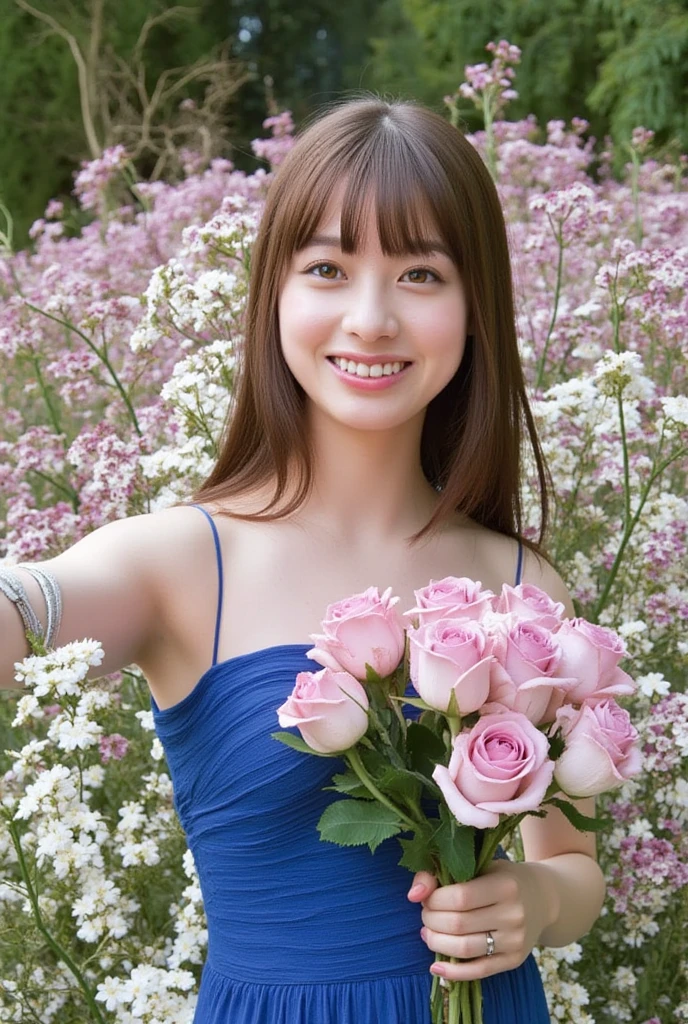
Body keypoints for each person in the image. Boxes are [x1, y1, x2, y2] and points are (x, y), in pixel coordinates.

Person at [1, 95, 607, 1023]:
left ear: (477, 303)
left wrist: (535, 902)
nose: (370, 319)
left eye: (421, 274)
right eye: (326, 267)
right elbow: (35, 603)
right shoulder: (183, 559)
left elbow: (573, 865)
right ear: (273, 295)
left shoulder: (525, 584)